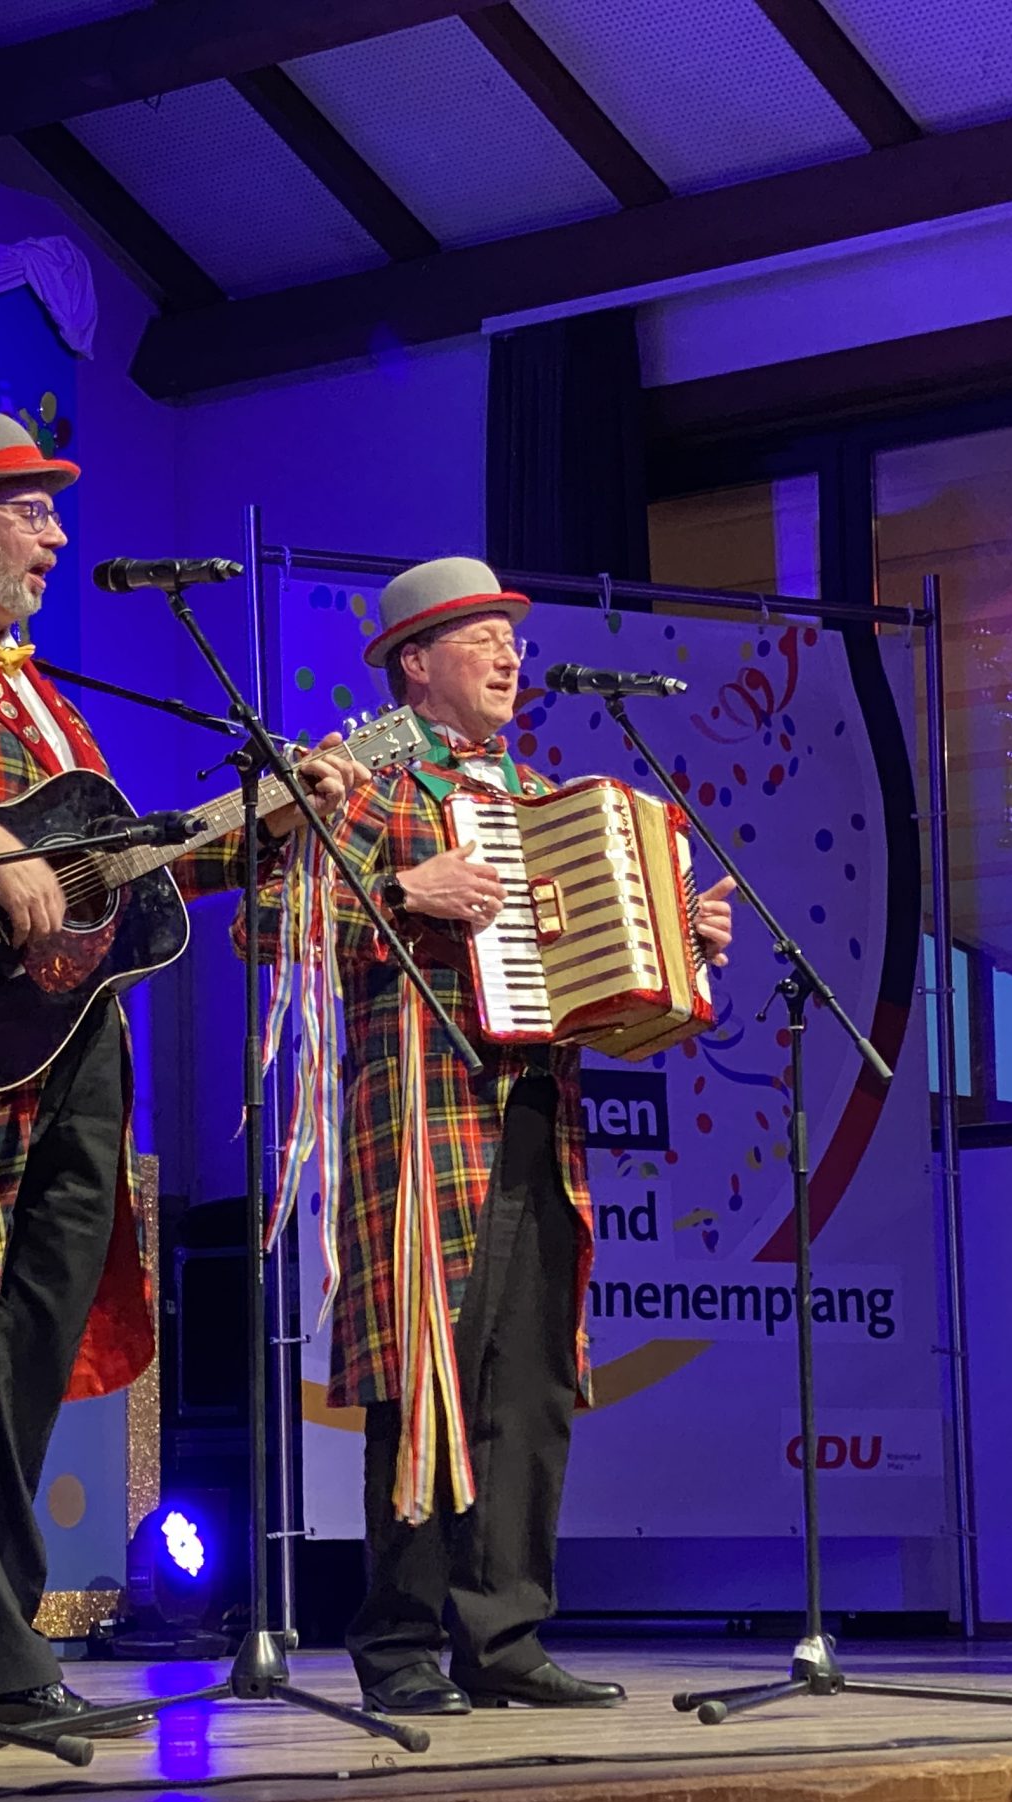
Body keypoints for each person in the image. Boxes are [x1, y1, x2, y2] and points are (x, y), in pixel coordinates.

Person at [0, 410, 354, 1746]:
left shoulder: (49, 700)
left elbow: (113, 878)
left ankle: (0, 1647)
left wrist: (265, 830)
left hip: (68, 1049)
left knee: (26, 1351)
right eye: (30, 512)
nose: (55, 537)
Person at [255, 556, 734, 1717]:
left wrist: (684, 943)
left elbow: (595, 983)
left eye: (513, 636)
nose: (510, 654)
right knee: (426, 1379)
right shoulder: (366, 783)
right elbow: (265, 922)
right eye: (482, 637)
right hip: (422, 1117)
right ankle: (399, 1644)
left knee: (530, 1385)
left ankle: (503, 1634)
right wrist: (400, 891)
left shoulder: (545, 800)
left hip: (536, 1120)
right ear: (416, 663)